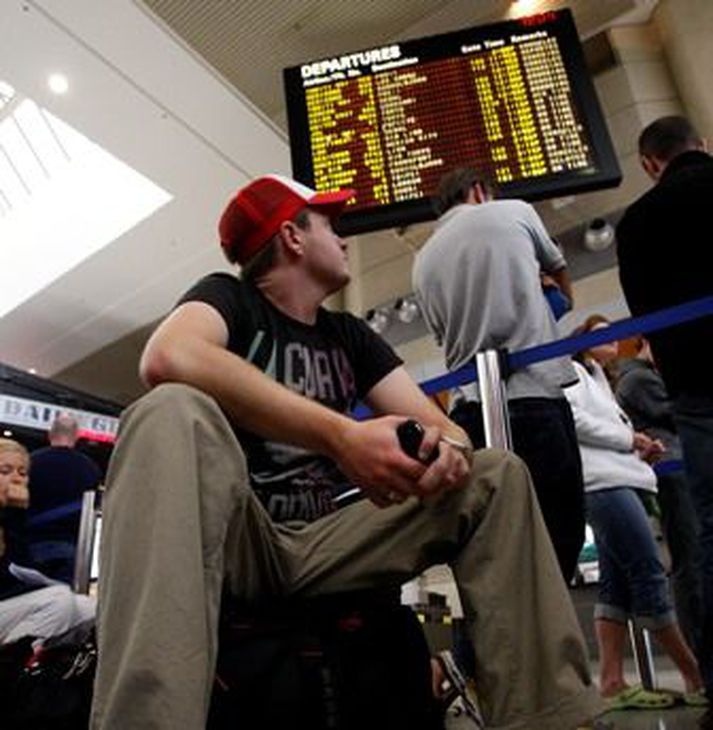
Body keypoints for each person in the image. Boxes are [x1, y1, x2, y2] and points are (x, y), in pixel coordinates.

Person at [90, 174, 601, 730]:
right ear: (292, 236)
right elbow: (167, 355)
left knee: (494, 473)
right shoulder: (228, 299)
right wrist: (342, 436)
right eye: (329, 224)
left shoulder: (348, 336)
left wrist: (444, 450)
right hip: (247, 538)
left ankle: (550, 720)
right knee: (166, 411)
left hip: (325, 541)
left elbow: (441, 426)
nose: (344, 237)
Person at [412, 166, 585, 582]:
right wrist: (544, 292)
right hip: (534, 396)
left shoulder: (422, 260)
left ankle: (486, 646)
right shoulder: (515, 211)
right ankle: (546, 643)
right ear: (478, 190)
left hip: (468, 414)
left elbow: (442, 335)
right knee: (557, 539)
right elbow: (565, 287)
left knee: (486, 553)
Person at [616, 115, 713, 721]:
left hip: (698, 388)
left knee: (712, 535)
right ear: (700, 146)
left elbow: (645, 316)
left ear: (651, 164)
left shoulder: (637, 223)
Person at [564, 316, 706, 710]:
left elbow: (604, 427)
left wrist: (637, 445)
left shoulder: (601, 379)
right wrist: (630, 438)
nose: (610, 337)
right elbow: (574, 419)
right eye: (600, 331)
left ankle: (610, 680)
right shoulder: (574, 372)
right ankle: (695, 674)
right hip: (602, 483)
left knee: (617, 585)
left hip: (622, 477)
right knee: (647, 571)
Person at [616, 336, 703, 652]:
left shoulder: (640, 377)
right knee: (687, 558)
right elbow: (677, 411)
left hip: (672, 467)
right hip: (669, 470)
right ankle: (698, 648)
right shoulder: (637, 378)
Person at [0, 438, 95, 646]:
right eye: (5, 471)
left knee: (88, 608)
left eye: (22, 473)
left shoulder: (11, 518)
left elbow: (19, 566)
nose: (16, 479)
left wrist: (14, 514)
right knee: (58, 600)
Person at [24, 414, 102, 583]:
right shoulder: (90, 468)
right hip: (72, 547)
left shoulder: (30, 461)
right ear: (76, 436)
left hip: (31, 543)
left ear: (50, 434)